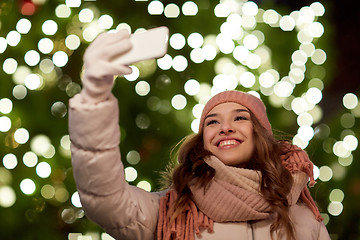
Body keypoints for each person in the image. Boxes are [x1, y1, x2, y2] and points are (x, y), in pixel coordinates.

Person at [68, 29, 330, 240]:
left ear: (262, 135)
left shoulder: (304, 221)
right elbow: (103, 197)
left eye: (239, 118)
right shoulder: (170, 212)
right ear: (202, 140)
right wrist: (94, 97)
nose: (225, 127)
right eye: (212, 122)